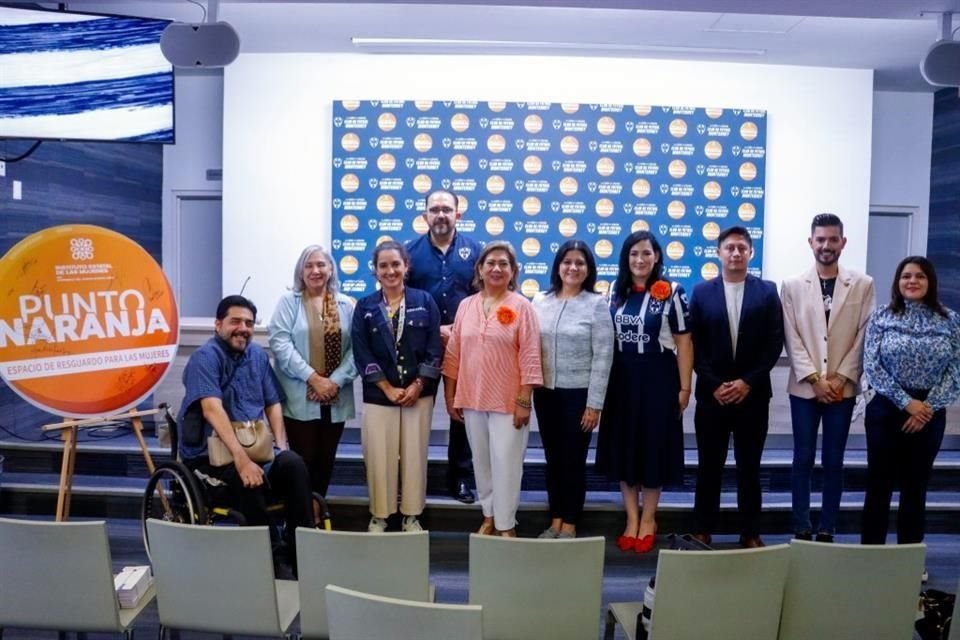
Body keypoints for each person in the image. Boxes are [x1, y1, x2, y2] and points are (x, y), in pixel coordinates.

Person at [179, 295, 314, 572]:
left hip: (254, 449)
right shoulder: (204, 359)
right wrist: (242, 461)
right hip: (211, 457)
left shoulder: (256, 355)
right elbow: (212, 410)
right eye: (235, 321)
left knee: (293, 464)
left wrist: (281, 446)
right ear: (218, 325)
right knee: (249, 483)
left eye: (249, 323)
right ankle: (268, 561)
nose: (243, 328)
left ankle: (301, 551)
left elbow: (273, 402)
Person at [596, 231, 693, 553]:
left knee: (653, 448)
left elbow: (683, 341)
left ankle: (649, 518)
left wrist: (684, 387)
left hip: (658, 377)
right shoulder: (615, 290)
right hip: (621, 378)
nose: (640, 260)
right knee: (626, 449)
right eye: (634, 254)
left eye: (646, 254)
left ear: (656, 257)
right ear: (626, 258)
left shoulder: (672, 292)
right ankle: (631, 517)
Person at [781, 214, 875, 542]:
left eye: (833, 239)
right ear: (811, 242)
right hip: (805, 389)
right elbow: (791, 336)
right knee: (803, 458)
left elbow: (864, 335)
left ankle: (827, 526)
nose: (826, 246)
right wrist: (814, 379)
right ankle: (802, 525)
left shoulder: (863, 284)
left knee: (834, 460)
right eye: (820, 239)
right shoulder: (792, 285)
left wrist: (838, 379)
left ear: (843, 243)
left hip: (842, 390)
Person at [689, 226, 783, 548]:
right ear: (718, 252)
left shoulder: (767, 292)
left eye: (742, 247)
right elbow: (694, 347)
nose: (735, 253)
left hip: (753, 396)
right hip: (711, 396)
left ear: (750, 253)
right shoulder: (701, 292)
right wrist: (714, 384)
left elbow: (774, 344)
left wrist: (747, 382)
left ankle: (751, 532)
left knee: (749, 468)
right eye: (729, 247)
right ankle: (702, 529)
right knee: (708, 468)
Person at [442, 241, 542, 537]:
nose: (496, 269)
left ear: (513, 272)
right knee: (482, 462)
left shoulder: (522, 306)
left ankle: (506, 524)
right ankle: (488, 515)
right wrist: (451, 395)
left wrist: (525, 400)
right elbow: (454, 354)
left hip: (509, 401)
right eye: (491, 263)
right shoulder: (466, 306)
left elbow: (530, 355)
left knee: (507, 465)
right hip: (472, 397)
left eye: (503, 264)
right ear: (480, 270)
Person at [861, 256, 960, 545]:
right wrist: (907, 403)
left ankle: (910, 556)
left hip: (929, 412)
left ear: (930, 282)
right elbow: (872, 365)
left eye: (919, 276)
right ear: (897, 282)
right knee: (879, 485)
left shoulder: (950, 320)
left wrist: (925, 408)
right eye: (906, 276)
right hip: (886, 408)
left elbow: (955, 371)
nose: (912, 281)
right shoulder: (881, 316)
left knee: (915, 487)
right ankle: (871, 552)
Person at [351, 241, 443, 533]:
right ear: (375, 271)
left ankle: (411, 515)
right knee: (379, 455)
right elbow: (361, 352)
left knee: (415, 455)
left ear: (406, 266)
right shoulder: (365, 306)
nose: (390, 271)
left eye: (395, 264)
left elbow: (434, 350)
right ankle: (380, 514)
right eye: (383, 266)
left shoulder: (425, 300)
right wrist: (388, 388)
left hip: (419, 394)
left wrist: (418, 385)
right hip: (380, 395)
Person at [268, 245, 358, 518]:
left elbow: (358, 349)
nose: (315, 270)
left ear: (331, 269)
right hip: (299, 398)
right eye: (309, 265)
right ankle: (300, 517)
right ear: (301, 271)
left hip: (335, 398)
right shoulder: (289, 302)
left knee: (325, 462)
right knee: (301, 462)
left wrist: (334, 381)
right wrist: (313, 378)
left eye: (321, 265)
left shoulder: (346, 304)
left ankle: (317, 512)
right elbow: (279, 343)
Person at [532, 240, 614, 539]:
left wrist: (595, 404)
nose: (573, 267)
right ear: (558, 266)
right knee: (553, 459)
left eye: (580, 263)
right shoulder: (540, 300)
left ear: (588, 269)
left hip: (578, 395)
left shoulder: (596, 304)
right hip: (545, 394)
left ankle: (570, 521)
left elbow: (604, 356)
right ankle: (555, 518)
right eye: (567, 262)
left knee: (573, 459)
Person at [407, 189, 481, 504]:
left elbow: (483, 297)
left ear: (457, 214)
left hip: (465, 348)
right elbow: (403, 301)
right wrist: (433, 330)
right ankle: (412, 480)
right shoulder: (409, 253)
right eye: (434, 209)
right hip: (423, 348)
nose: (440, 215)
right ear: (424, 215)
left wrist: (462, 329)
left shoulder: (476, 251)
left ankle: (461, 479)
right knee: (415, 413)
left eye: (446, 209)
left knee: (460, 414)